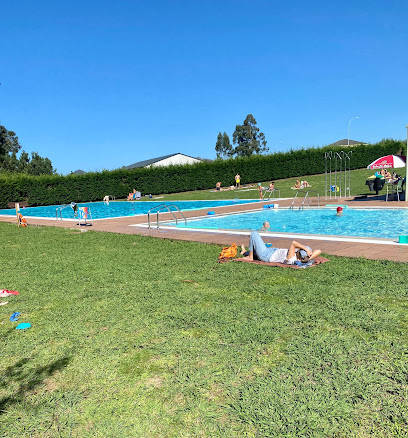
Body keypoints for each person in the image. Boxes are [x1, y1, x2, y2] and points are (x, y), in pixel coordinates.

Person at [241, 231, 321, 264]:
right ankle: (244, 251)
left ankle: (250, 257)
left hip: (266, 255)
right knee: (255, 242)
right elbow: (319, 251)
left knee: (254, 234)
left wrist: (306, 249)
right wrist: (308, 258)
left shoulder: (291, 257)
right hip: (271, 251)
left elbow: (293, 243)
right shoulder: (300, 257)